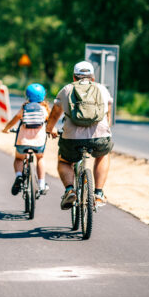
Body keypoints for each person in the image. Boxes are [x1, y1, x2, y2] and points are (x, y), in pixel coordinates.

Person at [45, 61, 114, 209]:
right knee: (103, 154)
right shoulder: (102, 89)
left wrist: (49, 128)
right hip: (99, 136)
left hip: (72, 139)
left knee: (64, 161)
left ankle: (70, 190)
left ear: (74, 77)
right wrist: (106, 128)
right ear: (93, 77)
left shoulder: (67, 89)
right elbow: (108, 115)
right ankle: (99, 193)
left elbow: (55, 113)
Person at [2, 83, 50, 196]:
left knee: (19, 159)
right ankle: (42, 184)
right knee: (40, 158)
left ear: (27, 96)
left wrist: (6, 129)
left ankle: (19, 176)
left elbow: (14, 119)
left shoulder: (25, 108)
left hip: (23, 141)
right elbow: (50, 123)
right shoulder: (44, 110)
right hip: (39, 142)